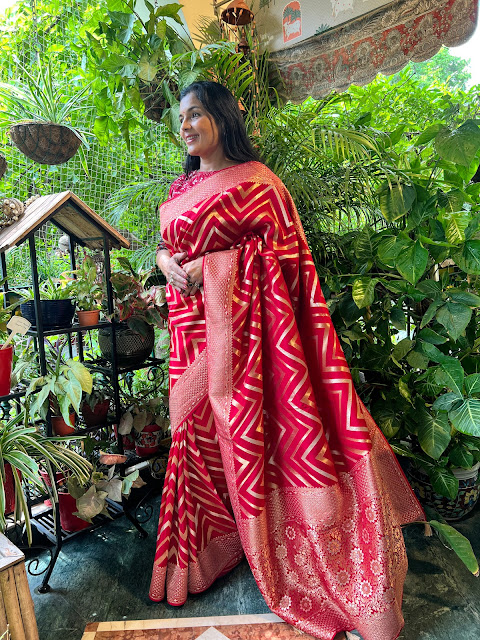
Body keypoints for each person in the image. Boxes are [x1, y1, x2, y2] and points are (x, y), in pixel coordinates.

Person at [151, 81, 424, 640]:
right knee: (196, 440)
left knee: (255, 437)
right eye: (182, 116)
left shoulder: (259, 183)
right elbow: (166, 243)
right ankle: (208, 552)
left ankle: (293, 556)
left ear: (223, 118)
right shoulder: (182, 185)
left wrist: (212, 270)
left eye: (196, 113)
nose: (186, 125)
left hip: (252, 343)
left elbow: (285, 259)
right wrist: (167, 262)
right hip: (190, 334)